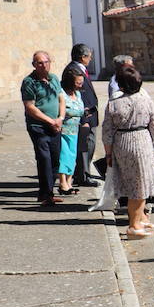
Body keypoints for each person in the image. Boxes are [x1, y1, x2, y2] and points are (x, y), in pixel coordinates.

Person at [102, 66, 154, 239]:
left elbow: (107, 131)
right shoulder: (145, 100)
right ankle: (133, 225)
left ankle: (141, 219)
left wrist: (108, 154)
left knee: (133, 184)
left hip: (122, 143)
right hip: (142, 140)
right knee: (140, 185)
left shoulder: (113, 103)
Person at [21, 51, 65, 206]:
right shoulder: (29, 82)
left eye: (46, 61)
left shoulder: (54, 79)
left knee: (55, 159)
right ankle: (46, 195)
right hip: (38, 126)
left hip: (55, 125)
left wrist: (60, 118)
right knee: (44, 158)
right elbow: (30, 107)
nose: (44, 64)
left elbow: (61, 99)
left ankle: (47, 193)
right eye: (39, 62)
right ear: (34, 64)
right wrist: (50, 121)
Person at [65, 44, 100, 187]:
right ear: (82, 57)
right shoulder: (73, 70)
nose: (90, 59)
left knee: (87, 146)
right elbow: (76, 96)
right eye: (89, 56)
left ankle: (82, 174)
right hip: (84, 117)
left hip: (89, 115)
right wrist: (84, 118)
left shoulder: (80, 69)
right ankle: (83, 176)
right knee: (85, 146)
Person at [55, 67, 86, 196]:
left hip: (75, 130)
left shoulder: (77, 94)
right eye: (78, 82)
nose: (80, 85)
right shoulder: (61, 93)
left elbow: (80, 109)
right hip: (63, 131)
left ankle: (69, 182)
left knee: (72, 157)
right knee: (64, 156)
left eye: (81, 82)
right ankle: (62, 183)